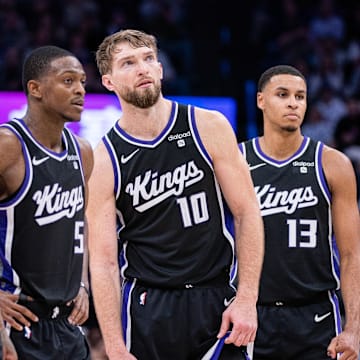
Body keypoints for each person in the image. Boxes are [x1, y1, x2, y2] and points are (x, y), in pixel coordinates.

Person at [87, 29, 264, 360]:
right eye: (128, 63)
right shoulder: (104, 159)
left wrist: (246, 299)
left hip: (217, 298)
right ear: (108, 82)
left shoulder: (208, 125)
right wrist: (113, 344)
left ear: (161, 69)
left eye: (149, 59)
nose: (142, 68)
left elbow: (247, 212)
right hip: (147, 306)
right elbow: (104, 261)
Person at [239, 64, 360, 359]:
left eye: (300, 96)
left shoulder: (333, 164)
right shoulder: (237, 160)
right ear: (261, 101)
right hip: (254, 314)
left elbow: (351, 255)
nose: (294, 102)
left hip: (316, 314)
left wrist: (354, 328)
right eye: (282, 94)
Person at [0, 45, 94, 359]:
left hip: (66, 326)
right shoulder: (8, 145)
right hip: (15, 320)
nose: (80, 89)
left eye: (82, 81)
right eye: (68, 81)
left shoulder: (82, 152)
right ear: (35, 89)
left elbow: (81, 226)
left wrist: (81, 282)